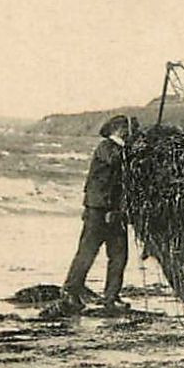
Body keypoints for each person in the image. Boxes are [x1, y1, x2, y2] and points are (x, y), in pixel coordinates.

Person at [57, 114, 131, 313]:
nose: (127, 131)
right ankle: (71, 290)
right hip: (98, 211)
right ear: (116, 129)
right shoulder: (106, 147)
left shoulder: (120, 149)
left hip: (113, 212)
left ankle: (111, 296)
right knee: (88, 251)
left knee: (119, 255)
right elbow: (114, 162)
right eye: (125, 128)